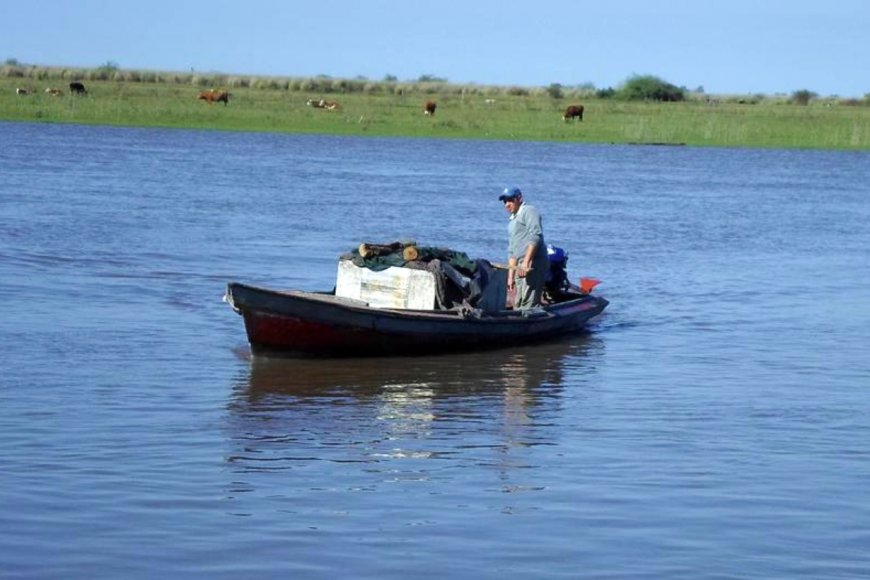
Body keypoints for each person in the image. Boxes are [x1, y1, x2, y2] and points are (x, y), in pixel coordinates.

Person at [498, 186, 548, 309]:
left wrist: (526, 261)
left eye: (510, 200)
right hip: (519, 265)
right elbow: (512, 251)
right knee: (519, 302)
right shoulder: (512, 222)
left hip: (532, 263)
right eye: (505, 202)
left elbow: (535, 236)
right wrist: (510, 276)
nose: (507, 205)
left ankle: (534, 323)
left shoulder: (529, 211)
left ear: (519, 198)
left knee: (529, 303)